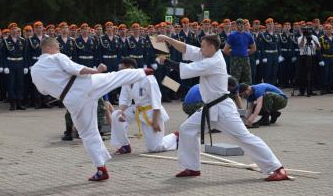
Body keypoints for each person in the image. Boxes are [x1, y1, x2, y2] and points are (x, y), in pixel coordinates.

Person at [156, 34, 289, 181]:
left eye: (203, 46)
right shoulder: (207, 54)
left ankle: (277, 168)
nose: (200, 48)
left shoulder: (213, 61)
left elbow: (186, 68)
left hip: (223, 109)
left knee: (244, 137)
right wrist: (167, 39)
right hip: (209, 108)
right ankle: (191, 167)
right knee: (186, 129)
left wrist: (165, 61)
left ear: (211, 47)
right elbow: (186, 48)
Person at [31, 37, 153, 181]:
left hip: (71, 100)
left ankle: (101, 169)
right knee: (112, 77)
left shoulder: (34, 71)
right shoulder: (56, 57)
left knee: (88, 134)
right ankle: (144, 72)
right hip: (84, 85)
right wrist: (96, 71)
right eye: (57, 46)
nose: (59, 48)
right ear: (49, 48)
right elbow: (77, 69)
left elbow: (44, 91)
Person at [110, 58, 178, 154]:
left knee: (155, 148)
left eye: (122, 69)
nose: (120, 71)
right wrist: (121, 113)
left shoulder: (148, 78)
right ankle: (125, 146)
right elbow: (124, 100)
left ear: (131, 68)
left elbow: (156, 100)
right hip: (138, 110)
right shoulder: (126, 80)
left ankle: (175, 137)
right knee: (116, 115)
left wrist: (155, 121)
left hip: (152, 112)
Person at [223, 18, 256, 84]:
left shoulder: (248, 35)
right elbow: (225, 49)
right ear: (236, 25)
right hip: (235, 60)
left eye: (242, 24)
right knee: (235, 80)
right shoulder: (232, 35)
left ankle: (246, 93)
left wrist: (246, 53)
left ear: (244, 25)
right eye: (238, 24)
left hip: (245, 59)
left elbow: (253, 48)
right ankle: (234, 94)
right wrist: (233, 55)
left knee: (247, 79)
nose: (240, 26)